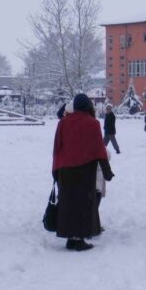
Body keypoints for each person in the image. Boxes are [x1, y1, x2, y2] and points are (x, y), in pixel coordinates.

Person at [52, 94, 114, 251]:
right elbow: (99, 149)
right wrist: (107, 171)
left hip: (65, 170)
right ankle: (79, 240)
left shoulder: (63, 123)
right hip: (84, 170)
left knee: (67, 203)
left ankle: (69, 238)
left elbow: (57, 148)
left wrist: (55, 171)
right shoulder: (93, 123)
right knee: (83, 204)